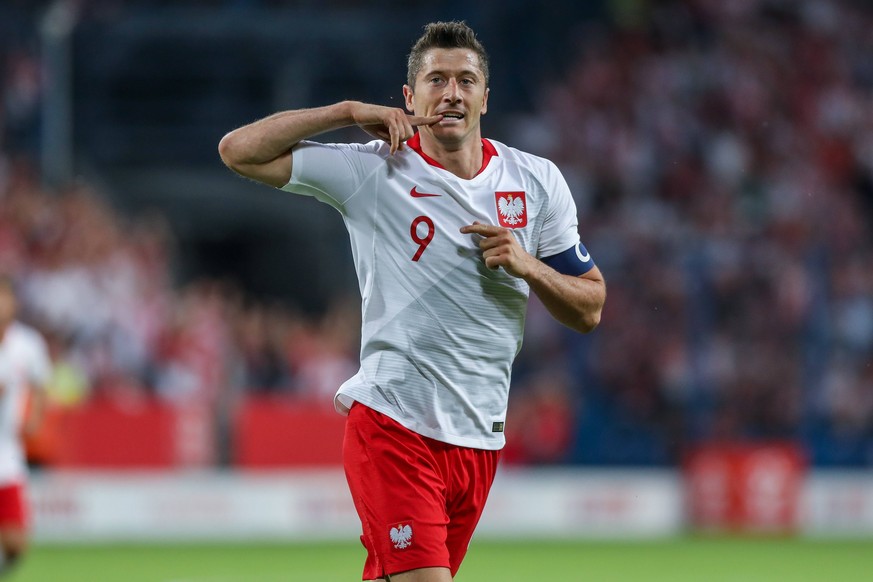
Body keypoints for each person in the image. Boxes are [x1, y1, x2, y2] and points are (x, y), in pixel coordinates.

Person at [219, 21, 606, 582]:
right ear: (409, 96)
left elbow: (590, 307)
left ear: (485, 97)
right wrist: (347, 111)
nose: (452, 93)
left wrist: (528, 264)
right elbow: (238, 152)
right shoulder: (374, 168)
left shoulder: (536, 180)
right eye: (436, 80)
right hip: (393, 424)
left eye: (466, 80)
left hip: (476, 439)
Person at [0, 275, 50, 576]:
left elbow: (41, 384)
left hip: (7, 452)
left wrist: (34, 418)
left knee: (16, 545)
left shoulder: (27, 343)